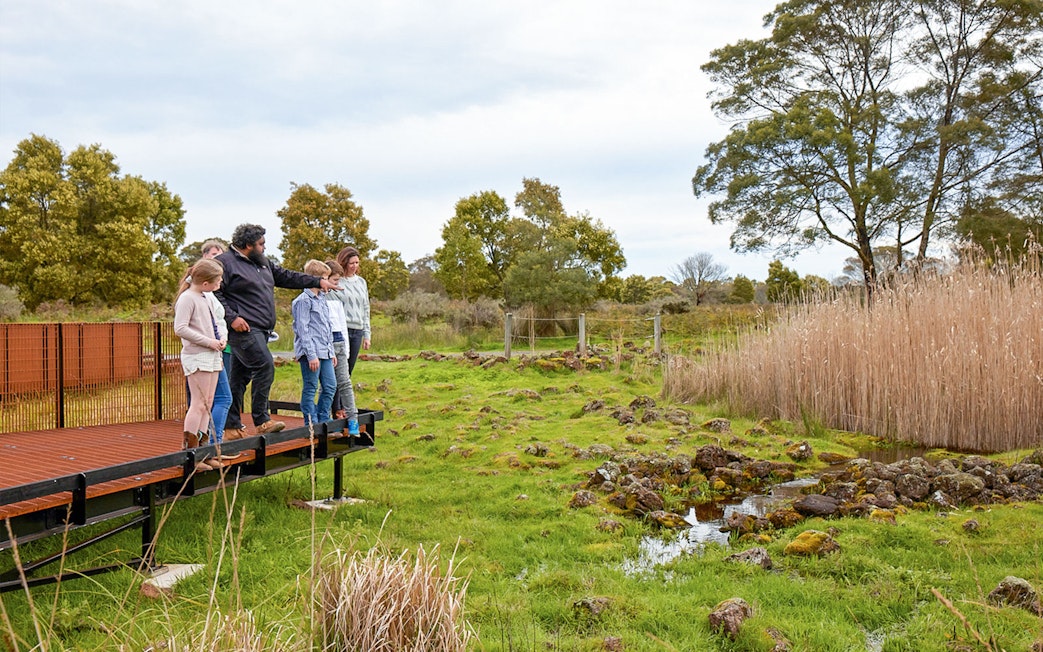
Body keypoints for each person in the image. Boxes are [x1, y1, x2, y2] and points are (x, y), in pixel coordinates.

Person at [213, 224, 340, 439]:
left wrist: (318, 280)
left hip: (262, 329)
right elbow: (215, 293)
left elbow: (288, 277)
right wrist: (232, 318)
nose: (264, 247)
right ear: (247, 245)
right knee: (265, 366)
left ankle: (231, 427)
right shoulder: (225, 263)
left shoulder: (262, 263)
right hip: (244, 330)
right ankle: (262, 421)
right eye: (261, 244)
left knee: (239, 378)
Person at [173, 258, 226, 471]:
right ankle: (189, 455)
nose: (220, 283)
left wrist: (221, 338)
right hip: (198, 356)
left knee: (209, 402)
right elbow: (181, 328)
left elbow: (215, 323)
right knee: (198, 403)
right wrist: (209, 342)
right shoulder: (187, 299)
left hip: (212, 355)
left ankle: (202, 453)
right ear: (205, 283)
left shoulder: (204, 297)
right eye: (218, 280)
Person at [292, 260, 339, 427]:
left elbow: (326, 327)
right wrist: (311, 356)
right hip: (311, 353)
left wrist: (331, 352)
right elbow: (303, 330)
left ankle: (323, 420)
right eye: (325, 278)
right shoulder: (303, 301)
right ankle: (311, 423)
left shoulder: (322, 299)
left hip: (325, 351)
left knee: (330, 386)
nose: (327, 282)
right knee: (311, 387)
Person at [324, 259, 360, 436]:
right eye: (335, 281)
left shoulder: (337, 301)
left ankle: (353, 419)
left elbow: (341, 326)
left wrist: (344, 350)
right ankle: (327, 421)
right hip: (325, 347)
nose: (338, 285)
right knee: (328, 385)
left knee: (345, 382)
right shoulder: (317, 299)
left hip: (339, 344)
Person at [331, 246, 370, 376]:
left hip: (357, 330)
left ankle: (343, 397)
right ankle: (333, 397)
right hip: (342, 330)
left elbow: (366, 308)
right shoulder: (337, 281)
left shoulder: (361, 282)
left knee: (349, 371)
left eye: (356, 263)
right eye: (351, 263)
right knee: (338, 371)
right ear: (344, 263)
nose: (354, 266)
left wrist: (367, 335)